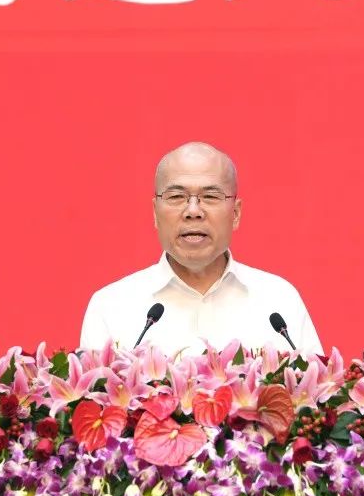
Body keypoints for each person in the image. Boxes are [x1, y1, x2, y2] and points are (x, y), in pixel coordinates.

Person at [79, 142, 323, 358]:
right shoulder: (111, 306)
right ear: (155, 213)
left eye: (210, 197)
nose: (193, 211)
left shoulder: (278, 300)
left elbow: (316, 393)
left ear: (235, 213)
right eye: (176, 196)